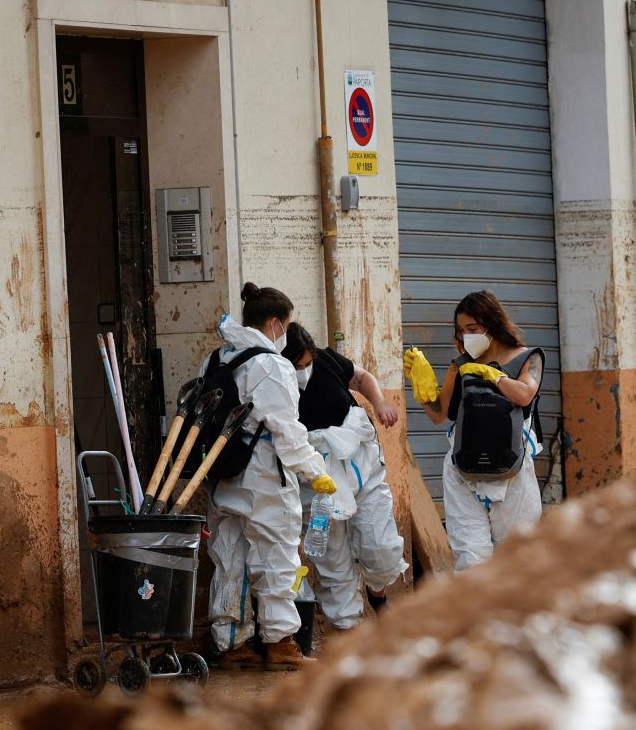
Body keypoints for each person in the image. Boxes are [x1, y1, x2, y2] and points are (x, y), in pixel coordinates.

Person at [200, 283, 336, 670]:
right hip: (262, 475)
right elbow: (287, 432)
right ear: (276, 323)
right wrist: (316, 471)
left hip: (223, 474)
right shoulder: (272, 364)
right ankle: (280, 642)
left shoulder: (217, 359)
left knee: (230, 557)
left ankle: (231, 644)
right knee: (277, 555)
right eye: (286, 325)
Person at [283, 323, 407, 630]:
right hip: (315, 481)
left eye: (307, 363)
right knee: (332, 561)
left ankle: (377, 593)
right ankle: (349, 631)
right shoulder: (274, 380)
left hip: (360, 467)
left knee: (381, 548)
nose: (304, 371)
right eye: (298, 366)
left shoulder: (326, 360)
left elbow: (362, 378)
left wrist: (379, 403)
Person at [410, 290, 544, 571]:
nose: (466, 336)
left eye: (472, 329)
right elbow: (439, 414)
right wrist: (421, 387)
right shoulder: (460, 365)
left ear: (492, 322)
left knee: (517, 554)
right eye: (461, 331)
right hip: (464, 469)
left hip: (512, 469)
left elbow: (524, 395)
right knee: (471, 557)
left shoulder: (527, 357)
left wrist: (495, 375)